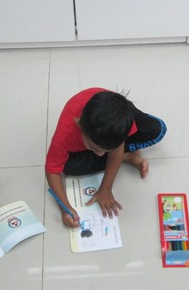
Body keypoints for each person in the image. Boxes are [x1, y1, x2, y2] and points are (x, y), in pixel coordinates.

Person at [46, 88, 167, 228]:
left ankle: (123, 153)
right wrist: (65, 208)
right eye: (93, 148)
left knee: (157, 129)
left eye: (107, 150)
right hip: (94, 124)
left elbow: (115, 146)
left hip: (118, 112)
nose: (100, 155)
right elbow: (52, 170)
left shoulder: (120, 124)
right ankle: (127, 156)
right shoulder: (65, 133)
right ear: (79, 125)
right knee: (68, 167)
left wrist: (105, 188)